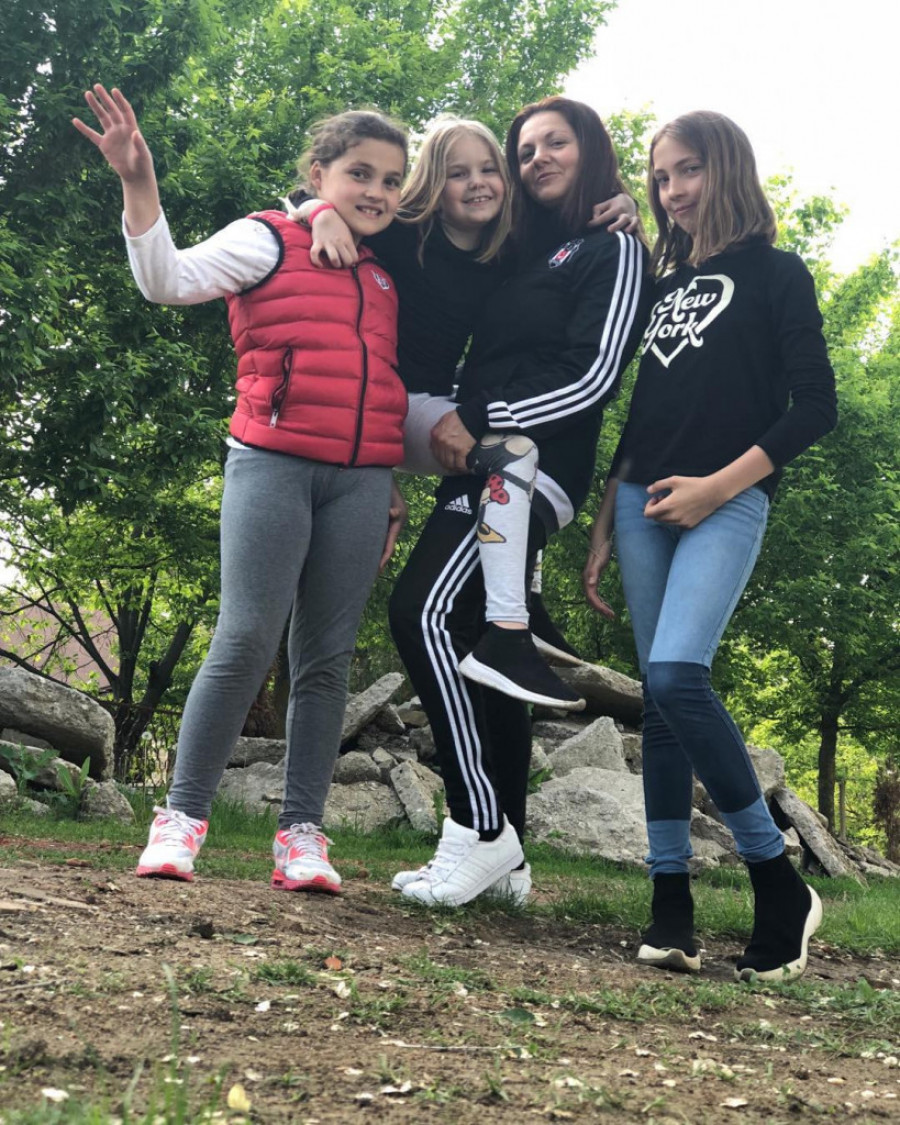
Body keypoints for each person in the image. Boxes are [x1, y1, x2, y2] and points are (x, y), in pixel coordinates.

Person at [73, 85, 409, 892]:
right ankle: (180, 817)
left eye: (393, 180)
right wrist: (138, 181)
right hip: (273, 463)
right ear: (319, 173)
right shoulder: (265, 239)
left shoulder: (386, 274)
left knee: (326, 660)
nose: (377, 192)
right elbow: (166, 279)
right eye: (360, 174)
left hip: (363, 482)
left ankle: (302, 834)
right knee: (246, 637)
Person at [583, 111, 837, 982]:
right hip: (641, 499)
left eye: (687, 170)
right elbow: (645, 410)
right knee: (660, 705)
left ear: (727, 169)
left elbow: (814, 405)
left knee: (676, 675)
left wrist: (717, 488)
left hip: (725, 499)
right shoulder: (662, 284)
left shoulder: (777, 273)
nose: (672, 190)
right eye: (660, 177)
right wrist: (605, 519)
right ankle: (671, 905)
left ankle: (778, 880)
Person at [389, 96, 651, 907]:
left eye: (555, 143)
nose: (536, 158)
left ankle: (479, 827)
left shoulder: (614, 247)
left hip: (535, 466)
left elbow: (594, 375)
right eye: (525, 148)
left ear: (592, 148)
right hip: (482, 458)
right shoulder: (524, 248)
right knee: (475, 636)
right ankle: (507, 860)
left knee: (421, 613)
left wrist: (483, 416)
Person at [294, 115, 637, 709]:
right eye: (458, 173)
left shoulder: (505, 250)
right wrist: (319, 212)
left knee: (510, 456)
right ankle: (510, 626)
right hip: (375, 405)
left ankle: (521, 606)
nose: (476, 183)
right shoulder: (404, 231)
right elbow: (310, 194)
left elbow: (571, 227)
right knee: (511, 451)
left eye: (488, 170)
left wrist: (623, 201)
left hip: (424, 409)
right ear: (434, 183)